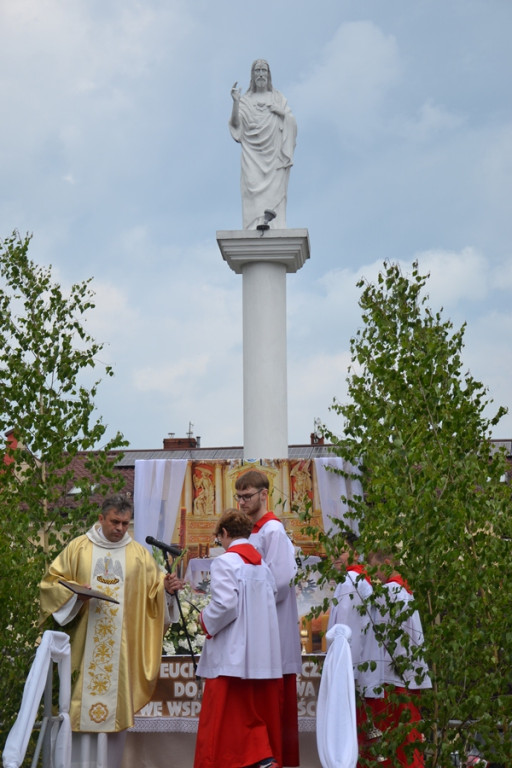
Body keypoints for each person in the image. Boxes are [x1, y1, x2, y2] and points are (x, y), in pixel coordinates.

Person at [39, 494, 180, 768]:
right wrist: (75, 597)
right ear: (101, 518)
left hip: (121, 658)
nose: (120, 528)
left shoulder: (139, 555)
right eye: (115, 521)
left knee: (114, 720)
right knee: (78, 716)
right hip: (82, 650)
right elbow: (50, 585)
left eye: (126, 524)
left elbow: (153, 596)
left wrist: (166, 591)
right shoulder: (78, 549)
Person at [194, 508, 282, 768]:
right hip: (260, 657)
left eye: (218, 537)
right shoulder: (263, 566)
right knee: (253, 716)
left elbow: (225, 605)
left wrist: (204, 620)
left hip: (231, 658)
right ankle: (260, 757)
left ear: (224, 533)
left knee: (224, 723)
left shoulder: (225, 562)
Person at [234, 469, 302, 767]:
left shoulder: (272, 530)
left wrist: (248, 603)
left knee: (275, 709)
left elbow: (282, 580)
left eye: (247, 497)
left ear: (264, 494)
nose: (242, 503)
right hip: (260, 629)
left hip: (272, 630)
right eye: (238, 497)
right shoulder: (254, 530)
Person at [366, 550, 432, 768]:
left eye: (376, 569)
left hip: (391, 676)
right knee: (409, 737)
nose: (376, 576)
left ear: (386, 563)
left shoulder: (389, 592)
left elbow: (379, 637)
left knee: (392, 739)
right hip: (409, 674)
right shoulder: (405, 590)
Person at [230, 59, 297, 230]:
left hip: (274, 154)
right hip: (252, 155)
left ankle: (274, 223)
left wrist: (279, 111)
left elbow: (291, 121)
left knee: (275, 191)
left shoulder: (277, 97)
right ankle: (253, 225)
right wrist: (236, 103)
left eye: (264, 70)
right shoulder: (245, 100)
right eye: (257, 71)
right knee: (251, 189)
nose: (261, 74)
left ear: (268, 74)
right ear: (252, 75)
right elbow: (237, 127)